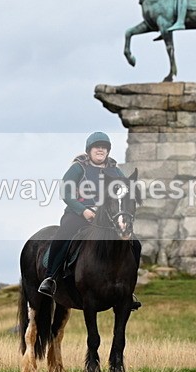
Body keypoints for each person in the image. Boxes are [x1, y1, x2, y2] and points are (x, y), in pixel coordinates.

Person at [38, 132, 142, 310]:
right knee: (64, 235)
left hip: (106, 219)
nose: (100, 150)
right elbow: (65, 192)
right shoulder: (79, 168)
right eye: (97, 147)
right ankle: (51, 278)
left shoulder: (115, 171)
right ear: (89, 150)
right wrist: (83, 210)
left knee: (135, 244)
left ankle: (128, 290)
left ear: (108, 151)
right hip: (78, 215)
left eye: (104, 147)